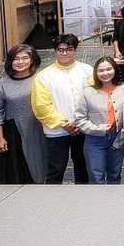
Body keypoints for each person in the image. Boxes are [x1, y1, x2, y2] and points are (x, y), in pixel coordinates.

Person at [31, 34, 92, 184]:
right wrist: (65, 123)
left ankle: (84, 197)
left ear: (75, 50)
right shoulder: (44, 76)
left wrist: (77, 122)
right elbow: (41, 107)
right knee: (56, 169)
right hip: (57, 130)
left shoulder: (87, 71)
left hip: (82, 128)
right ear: (54, 51)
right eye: (60, 50)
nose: (64, 53)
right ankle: (53, 198)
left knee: (83, 167)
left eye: (69, 49)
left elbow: (93, 100)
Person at [0, 45, 46, 184]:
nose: (20, 62)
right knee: (16, 173)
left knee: (40, 164)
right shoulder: (2, 84)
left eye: (25, 58)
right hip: (13, 132)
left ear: (32, 60)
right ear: (10, 61)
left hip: (38, 128)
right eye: (16, 59)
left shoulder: (42, 78)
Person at [74, 57, 124, 184]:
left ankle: (113, 197)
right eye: (101, 70)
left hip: (118, 138)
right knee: (96, 177)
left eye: (109, 69)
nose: (105, 73)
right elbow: (79, 119)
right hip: (94, 140)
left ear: (115, 69)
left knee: (115, 175)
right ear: (96, 73)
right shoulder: (87, 92)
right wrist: (99, 129)